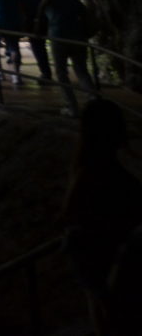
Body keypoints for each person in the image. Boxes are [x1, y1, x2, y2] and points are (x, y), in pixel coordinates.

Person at [64, 99, 142, 334]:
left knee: (101, 308)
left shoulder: (85, 173)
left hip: (97, 256)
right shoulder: (118, 176)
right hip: (116, 258)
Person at [40, 0, 97, 116]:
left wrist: (36, 31)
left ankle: (72, 107)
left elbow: (40, 15)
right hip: (77, 37)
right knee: (82, 70)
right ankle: (95, 101)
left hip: (58, 38)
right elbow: (86, 14)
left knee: (61, 72)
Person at [15, 0, 53, 81]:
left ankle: (46, 73)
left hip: (30, 15)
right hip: (46, 14)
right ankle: (51, 71)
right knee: (46, 43)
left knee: (37, 44)